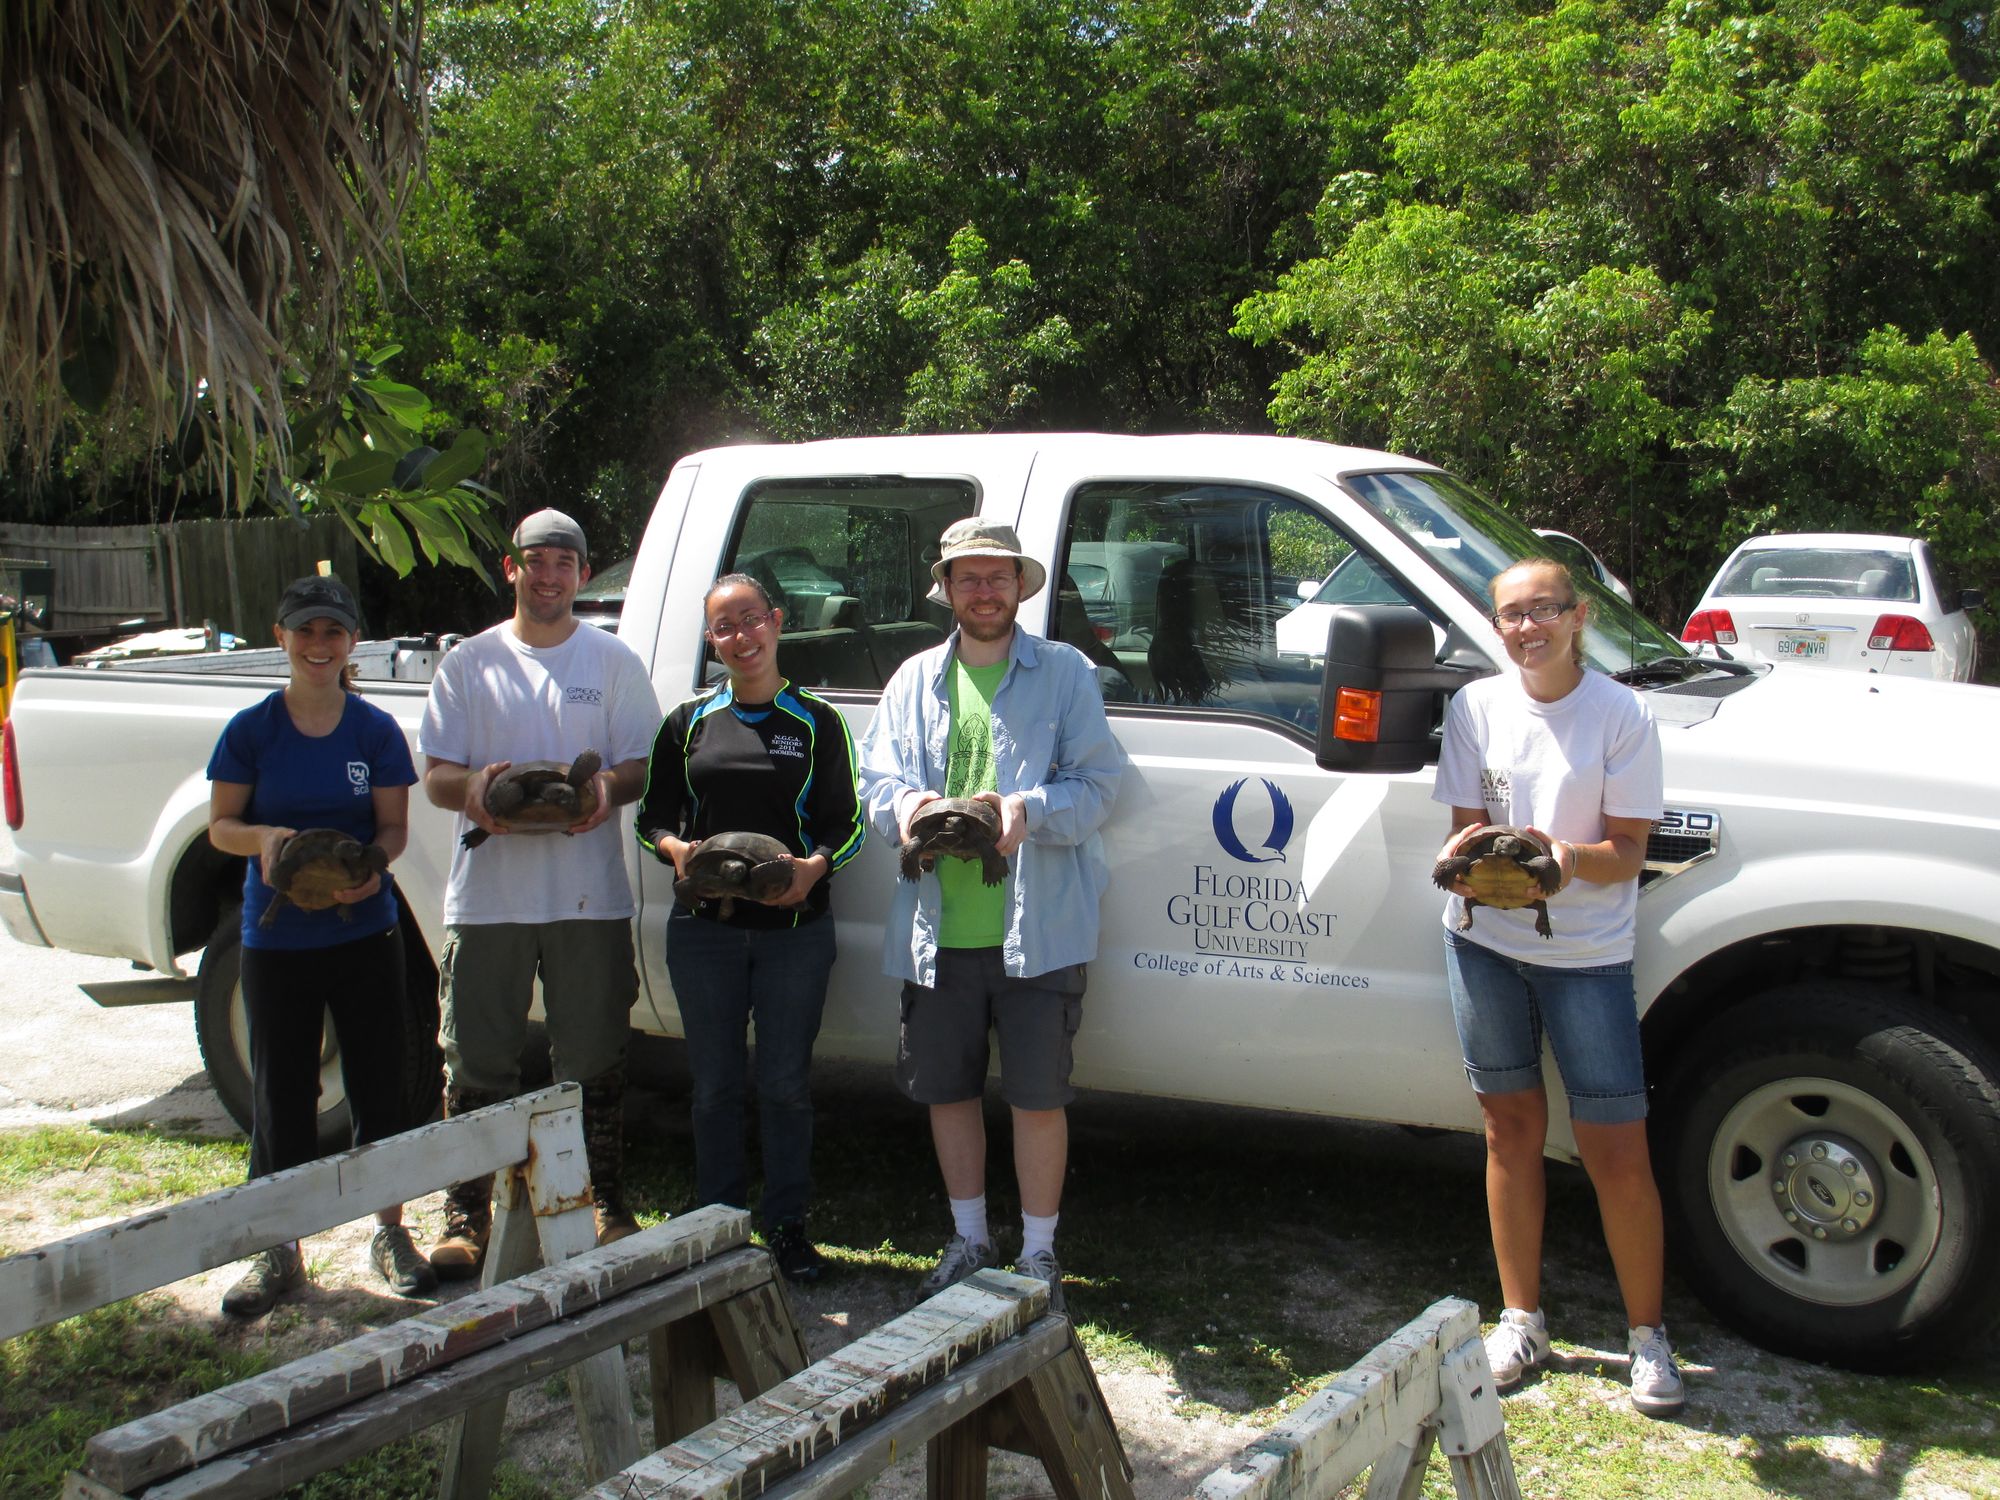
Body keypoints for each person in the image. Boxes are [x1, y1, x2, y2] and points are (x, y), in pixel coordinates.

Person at [1432, 556, 1685, 1416]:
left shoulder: (1622, 713)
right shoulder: (1474, 706)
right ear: (1495, 626)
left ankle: (1647, 1336)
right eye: (1511, 614)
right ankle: (1522, 1319)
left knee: (1616, 1147)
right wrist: (1461, 861)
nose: (1527, 627)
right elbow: (1467, 829)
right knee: (1509, 1131)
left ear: (1579, 617)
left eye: (1545, 610)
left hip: (1588, 960)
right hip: (1482, 946)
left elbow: (1627, 854)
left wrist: (1562, 859)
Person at [856, 518, 1123, 1314]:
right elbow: (876, 783)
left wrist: (1027, 811)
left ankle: (1039, 1255)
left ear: (1019, 585)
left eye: (997, 576)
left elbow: (1101, 786)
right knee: (949, 1090)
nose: (984, 591)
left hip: (1037, 929)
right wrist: (907, 806)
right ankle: (970, 1239)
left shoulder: (1066, 673)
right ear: (946, 587)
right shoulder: (911, 680)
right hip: (939, 933)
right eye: (968, 577)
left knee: (1039, 1096)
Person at [419, 509, 661, 1273]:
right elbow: (436, 776)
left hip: (586, 894)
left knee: (593, 1059)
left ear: (583, 574)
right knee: (477, 1062)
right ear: (510, 567)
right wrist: (479, 787)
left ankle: (602, 1202)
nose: (550, 574)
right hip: (489, 896)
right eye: (537, 560)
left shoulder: (612, 662)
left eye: (564, 562)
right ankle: (467, 1216)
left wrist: (600, 795)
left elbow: (640, 765)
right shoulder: (469, 663)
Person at [205, 573, 434, 1315]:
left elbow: (392, 830)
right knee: (283, 1092)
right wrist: (266, 837)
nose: (317, 644)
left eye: (332, 632)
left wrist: (377, 872)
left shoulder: (371, 732)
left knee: (378, 1080)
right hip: (276, 942)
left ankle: (391, 1231)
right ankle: (277, 1246)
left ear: (351, 643)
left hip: (365, 932)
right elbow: (221, 826)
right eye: (304, 630)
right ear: (281, 637)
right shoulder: (252, 731)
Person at [636, 574, 865, 1283]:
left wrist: (813, 869)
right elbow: (653, 816)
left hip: (794, 929)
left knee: (786, 1084)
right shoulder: (688, 722)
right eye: (724, 627)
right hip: (704, 929)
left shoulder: (817, 721)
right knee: (713, 1085)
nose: (741, 636)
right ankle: (717, 1222)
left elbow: (847, 823)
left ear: (777, 621)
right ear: (712, 640)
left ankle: (787, 1224)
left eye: (751, 620)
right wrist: (678, 853)